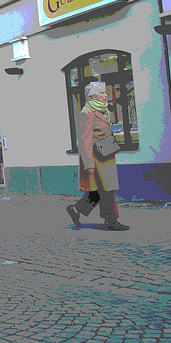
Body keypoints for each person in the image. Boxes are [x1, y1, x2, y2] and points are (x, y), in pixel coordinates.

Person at [66, 81, 129, 231]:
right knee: (106, 190)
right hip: (97, 159)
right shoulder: (86, 113)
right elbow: (84, 141)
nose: (106, 95)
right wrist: (89, 164)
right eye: (102, 92)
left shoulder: (101, 110)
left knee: (97, 191)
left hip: (105, 156)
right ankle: (111, 221)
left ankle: (75, 210)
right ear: (93, 95)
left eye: (105, 92)